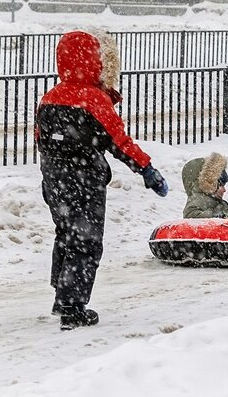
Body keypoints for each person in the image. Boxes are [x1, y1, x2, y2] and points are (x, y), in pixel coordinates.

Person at [36, 29, 168, 331]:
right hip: (84, 182)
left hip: (54, 179)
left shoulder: (49, 98)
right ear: (94, 61)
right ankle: (73, 309)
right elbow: (119, 142)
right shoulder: (93, 100)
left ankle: (61, 294)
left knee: (66, 234)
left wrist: (52, 175)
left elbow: (40, 139)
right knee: (86, 241)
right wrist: (147, 170)